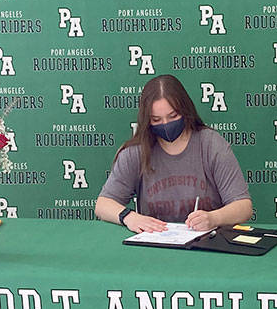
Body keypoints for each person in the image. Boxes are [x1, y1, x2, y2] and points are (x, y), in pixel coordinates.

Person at [95, 74, 253, 233]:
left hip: (206, 242)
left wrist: (213, 218)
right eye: (156, 120)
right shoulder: (136, 151)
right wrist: (129, 217)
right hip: (155, 243)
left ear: (185, 110)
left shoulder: (211, 144)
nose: (165, 125)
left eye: (173, 116)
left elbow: (243, 206)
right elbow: (103, 204)